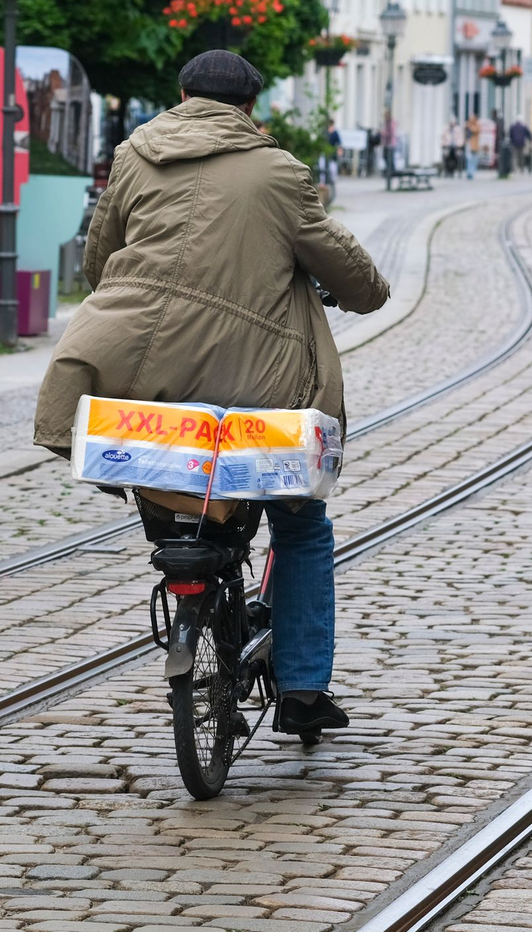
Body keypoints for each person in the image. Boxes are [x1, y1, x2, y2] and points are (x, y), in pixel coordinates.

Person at [33, 50, 390, 739]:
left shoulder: (136, 155)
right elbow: (359, 282)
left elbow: (96, 261)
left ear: (181, 95)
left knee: (167, 491)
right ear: (250, 109)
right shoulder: (280, 173)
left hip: (141, 373)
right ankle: (304, 689)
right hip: (257, 385)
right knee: (300, 521)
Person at [464, 112, 480, 180]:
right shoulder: (467, 124)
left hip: (474, 145)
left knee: (474, 159)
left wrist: (470, 126)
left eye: (472, 118)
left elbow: (476, 130)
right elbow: (465, 130)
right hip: (468, 144)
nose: (471, 119)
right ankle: (469, 172)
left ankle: (472, 172)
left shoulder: (476, 125)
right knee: (469, 159)